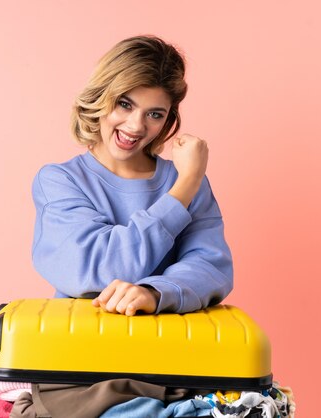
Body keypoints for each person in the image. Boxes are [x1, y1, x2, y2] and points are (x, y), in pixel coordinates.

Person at [31, 35, 233, 316]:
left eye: (154, 114)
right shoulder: (60, 181)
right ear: (101, 98)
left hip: (168, 352)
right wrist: (184, 187)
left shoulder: (188, 180)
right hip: (79, 350)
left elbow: (211, 267)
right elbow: (96, 267)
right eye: (125, 104)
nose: (136, 126)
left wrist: (154, 292)